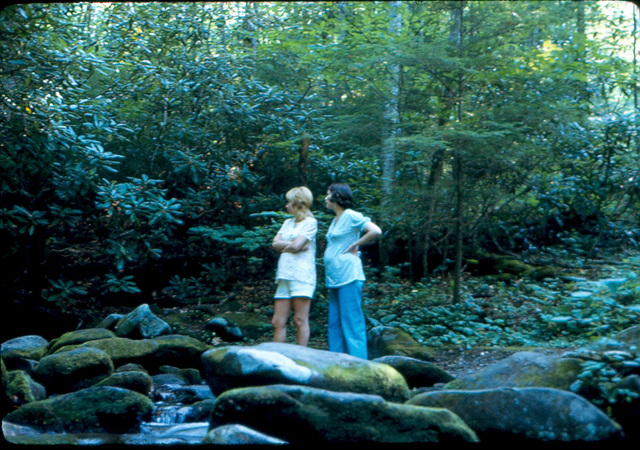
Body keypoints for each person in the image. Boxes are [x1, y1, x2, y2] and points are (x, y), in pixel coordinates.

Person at [323, 183, 381, 359]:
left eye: (328, 195)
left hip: (349, 275)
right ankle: (337, 363)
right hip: (334, 277)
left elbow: (375, 231)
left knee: (351, 322)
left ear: (336, 197)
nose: (325, 198)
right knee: (334, 323)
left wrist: (356, 244)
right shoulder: (335, 219)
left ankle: (359, 364)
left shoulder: (350, 215)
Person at [271, 186, 318, 346]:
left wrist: (292, 245)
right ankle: (278, 360)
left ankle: (301, 358)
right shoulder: (287, 223)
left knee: (299, 320)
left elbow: (296, 245)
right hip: (284, 275)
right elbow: (275, 244)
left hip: (302, 276)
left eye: (289, 202)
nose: (286, 206)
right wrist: (294, 245)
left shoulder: (310, 223)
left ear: (299, 204)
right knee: (277, 322)